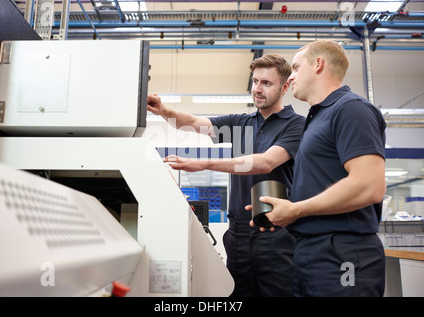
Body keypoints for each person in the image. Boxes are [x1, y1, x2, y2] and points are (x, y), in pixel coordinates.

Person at [147, 54, 305, 297]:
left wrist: (204, 164)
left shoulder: (295, 124)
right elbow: (192, 122)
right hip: (239, 233)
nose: (257, 89)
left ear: (285, 87)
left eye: (266, 83)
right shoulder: (239, 123)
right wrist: (163, 111)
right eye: (255, 82)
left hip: (275, 233)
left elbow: (265, 163)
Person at [250, 40, 386, 297]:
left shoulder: (350, 109)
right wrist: (286, 211)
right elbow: (323, 184)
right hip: (309, 251)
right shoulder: (316, 120)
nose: (291, 76)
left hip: (342, 252)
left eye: (297, 67)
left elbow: (369, 185)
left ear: (319, 64)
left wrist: (297, 209)